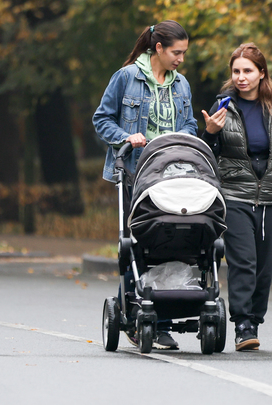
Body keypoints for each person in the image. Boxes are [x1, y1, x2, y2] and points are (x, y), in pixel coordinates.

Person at [93, 20, 198, 349]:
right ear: (159, 49)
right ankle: (137, 314)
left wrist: (192, 139)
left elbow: (189, 123)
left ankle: (162, 318)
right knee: (135, 244)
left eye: (184, 53)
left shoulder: (181, 85)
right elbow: (102, 119)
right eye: (176, 53)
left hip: (173, 175)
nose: (181, 59)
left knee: (170, 240)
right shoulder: (126, 78)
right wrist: (126, 136)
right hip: (135, 174)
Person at [201, 42, 272, 351]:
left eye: (247, 71)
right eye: (236, 71)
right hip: (234, 193)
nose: (241, 77)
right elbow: (207, 153)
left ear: (261, 73)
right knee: (243, 260)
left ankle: (255, 320)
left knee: (264, 264)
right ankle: (242, 323)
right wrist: (209, 132)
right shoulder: (223, 106)